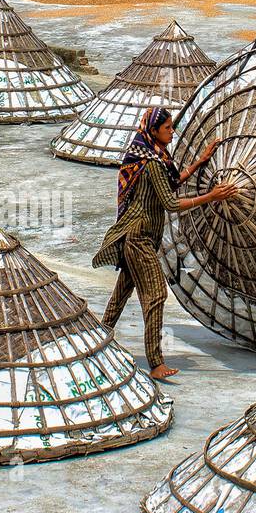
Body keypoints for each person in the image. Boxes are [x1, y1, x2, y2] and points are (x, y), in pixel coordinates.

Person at [92, 107, 238, 381]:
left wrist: (200, 162)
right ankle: (156, 362)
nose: (172, 131)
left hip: (138, 235)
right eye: (168, 128)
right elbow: (171, 202)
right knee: (156, 295)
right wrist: (212, 196)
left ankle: (98, 339)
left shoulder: (152, 157)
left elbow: (172, 182)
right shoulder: (151, 163)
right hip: (138, 238)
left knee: (122, 292)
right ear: (154, 131)